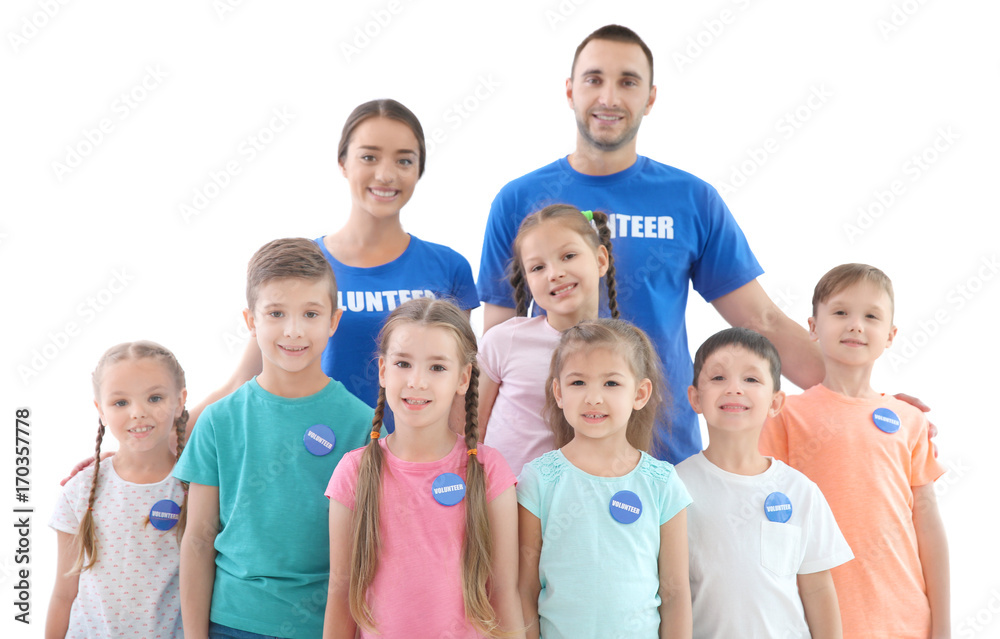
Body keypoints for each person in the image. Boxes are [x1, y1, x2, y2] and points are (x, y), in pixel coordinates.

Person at [478, 24, 834, 464]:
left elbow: (762, 319)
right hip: (548, 468)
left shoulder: (690, 199)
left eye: (627, 82)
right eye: (594, 79)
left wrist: (857, 394)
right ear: (570, 91)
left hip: (664, 456)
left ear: (650, 98)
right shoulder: (518, 201)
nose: (608, 97)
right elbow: (495, 350)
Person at [190, 98, 478, 429]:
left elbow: (460, 388)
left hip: (414, 466)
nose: (385, 174)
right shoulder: (305, 265)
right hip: (315, 457)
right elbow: (243, 378)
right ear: (343, 163)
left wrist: (462, 465)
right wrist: (164, 437)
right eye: (369, 157)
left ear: (418, 170)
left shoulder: (449, 267)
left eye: (404, 160)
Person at [175, 238, 374, 638]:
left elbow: (370, 552)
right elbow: (197, 539)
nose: (294, 330)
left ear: (333, 321)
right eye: (276, 313)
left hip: (326, 626)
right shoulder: (219, 421)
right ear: (251, 322)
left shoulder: (364, 426)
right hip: (231, 622)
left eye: (311, 313)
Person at [759, 264, 949, 638]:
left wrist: (941, 626)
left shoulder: (910, 420)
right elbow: (765, 517)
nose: (856, 325)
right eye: (841, 312)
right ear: (813, 326)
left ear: (891, 335)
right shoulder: (784, 414)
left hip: (904, 620)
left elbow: (928, 525)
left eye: (871, 316)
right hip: (813, 620)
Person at [324, 298, 522, 638]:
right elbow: (340, 592)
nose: (417, 381)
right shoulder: (353, 471)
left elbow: (503, 592)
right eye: (403, 363)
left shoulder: (489, 469)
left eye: (437, 367)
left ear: (463, 379)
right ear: (384, 371)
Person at [517, 319, 691, 639]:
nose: (593, 398)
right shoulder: (538, 480)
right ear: (558, 392)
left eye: (611, 383)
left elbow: (676, 593)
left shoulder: (663, 483)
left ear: (640, 393)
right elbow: (525, 588)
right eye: (578, 383)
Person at [676, 328, 853, 639]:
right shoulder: (673, 487)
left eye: (751, 379)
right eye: (718, 378)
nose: (734, 389)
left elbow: (817, 589)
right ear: (695, 398)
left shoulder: (799, 490)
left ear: (775, 402)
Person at [46, 341, 189, 638]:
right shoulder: (81, 489)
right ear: (100, 410)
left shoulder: (196, 488)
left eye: (155, 397)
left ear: (180, 401)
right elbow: (63, 594)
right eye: (121, 402)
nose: (138, 412)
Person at [478, 204, 618, 475]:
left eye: (568, 256)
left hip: (583, 503)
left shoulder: (623, 350)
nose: (554, 273)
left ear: (601, 260)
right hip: (504, 504)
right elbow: (470, 430)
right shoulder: (503, 341)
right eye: (538, 267)